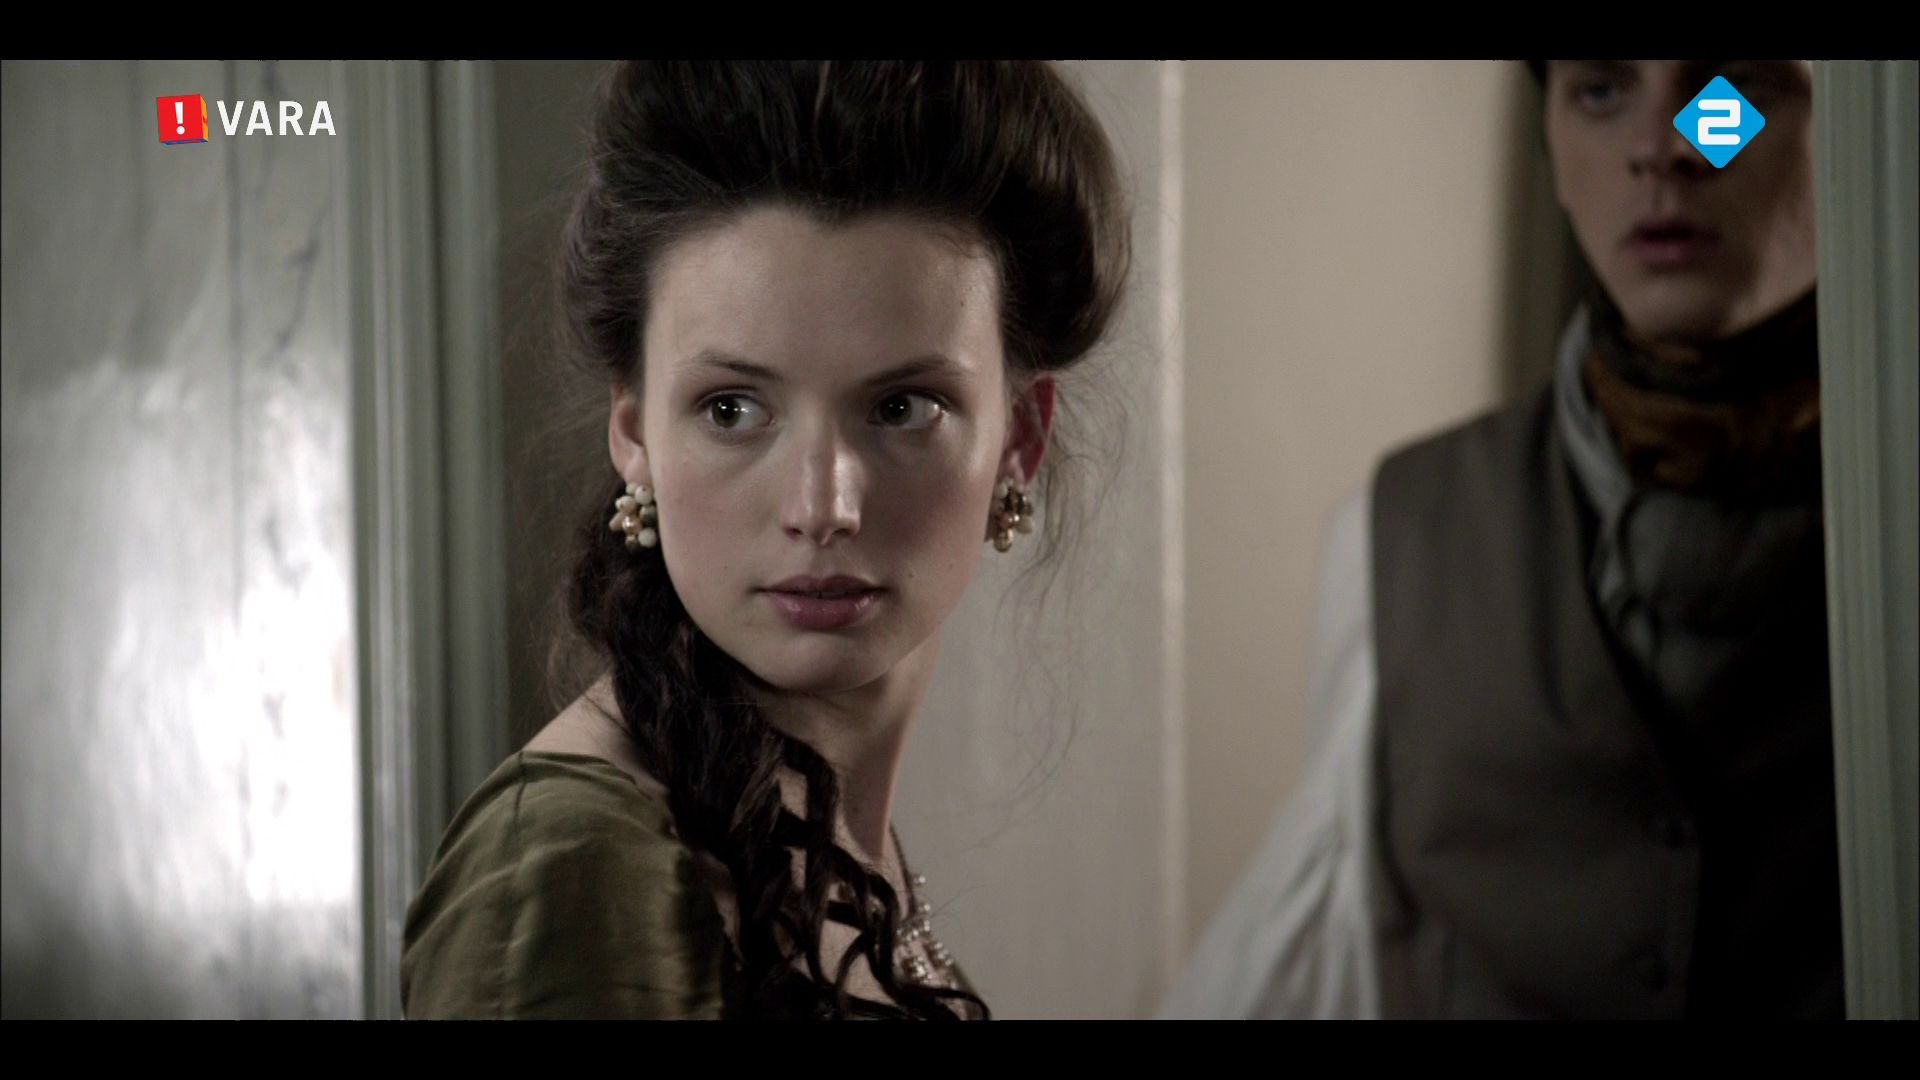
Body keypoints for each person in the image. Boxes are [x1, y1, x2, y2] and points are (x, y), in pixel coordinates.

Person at [401, 60, 1129, 1020]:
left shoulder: (837, 845)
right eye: (732, 409)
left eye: (903, 407)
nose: (822, 506)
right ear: (633, 430)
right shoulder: (579, 868)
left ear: (1020, 437)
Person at [1163, 59, 1839, 1019]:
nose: (1663, 148)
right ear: (1552, 144)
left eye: (1725, 90)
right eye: (1600, 91)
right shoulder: (1403, 536)